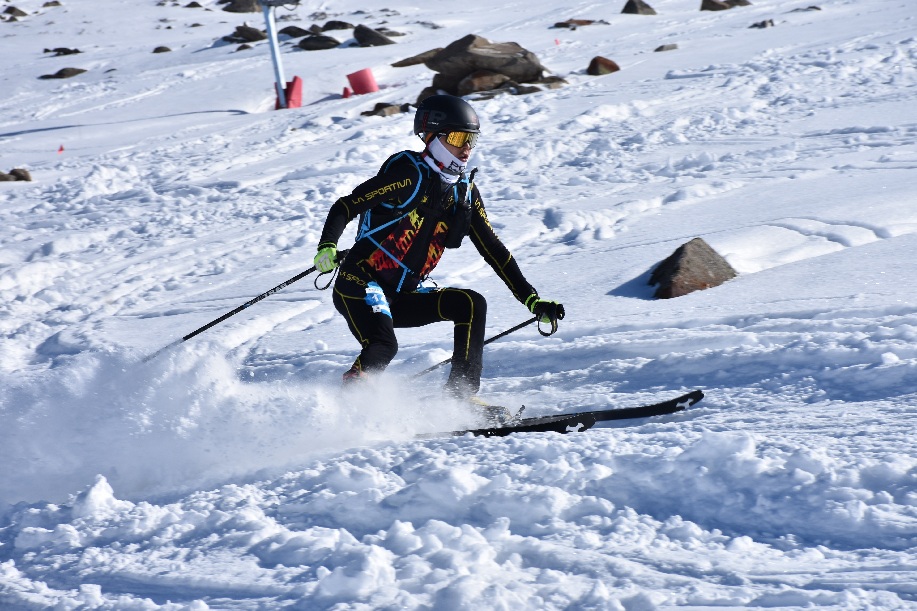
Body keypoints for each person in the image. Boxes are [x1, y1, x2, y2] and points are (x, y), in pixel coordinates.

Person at [313, 94, 564, 403]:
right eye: (458, 137)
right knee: (383, 344)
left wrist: (533, 301)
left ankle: (459, 398)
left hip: (405, 293)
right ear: (431, 137)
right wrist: (328, 245)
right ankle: (348, 406)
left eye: (472, 139)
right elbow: (347, 205)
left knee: (470, 304)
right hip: (362, 282)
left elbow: (494, 250)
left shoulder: (463, 193)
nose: (466, 148)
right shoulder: (409, 175)